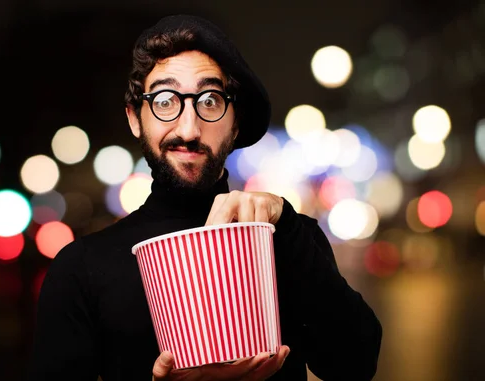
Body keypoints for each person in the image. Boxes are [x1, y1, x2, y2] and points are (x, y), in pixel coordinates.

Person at [29, 14, 382, 381]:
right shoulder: (80, 268)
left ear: (236, 120)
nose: (188, 128)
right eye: (165, 100)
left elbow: (356, 364)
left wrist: (286, 221)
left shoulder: (288, 239)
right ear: (135, 118)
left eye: (210, 100)